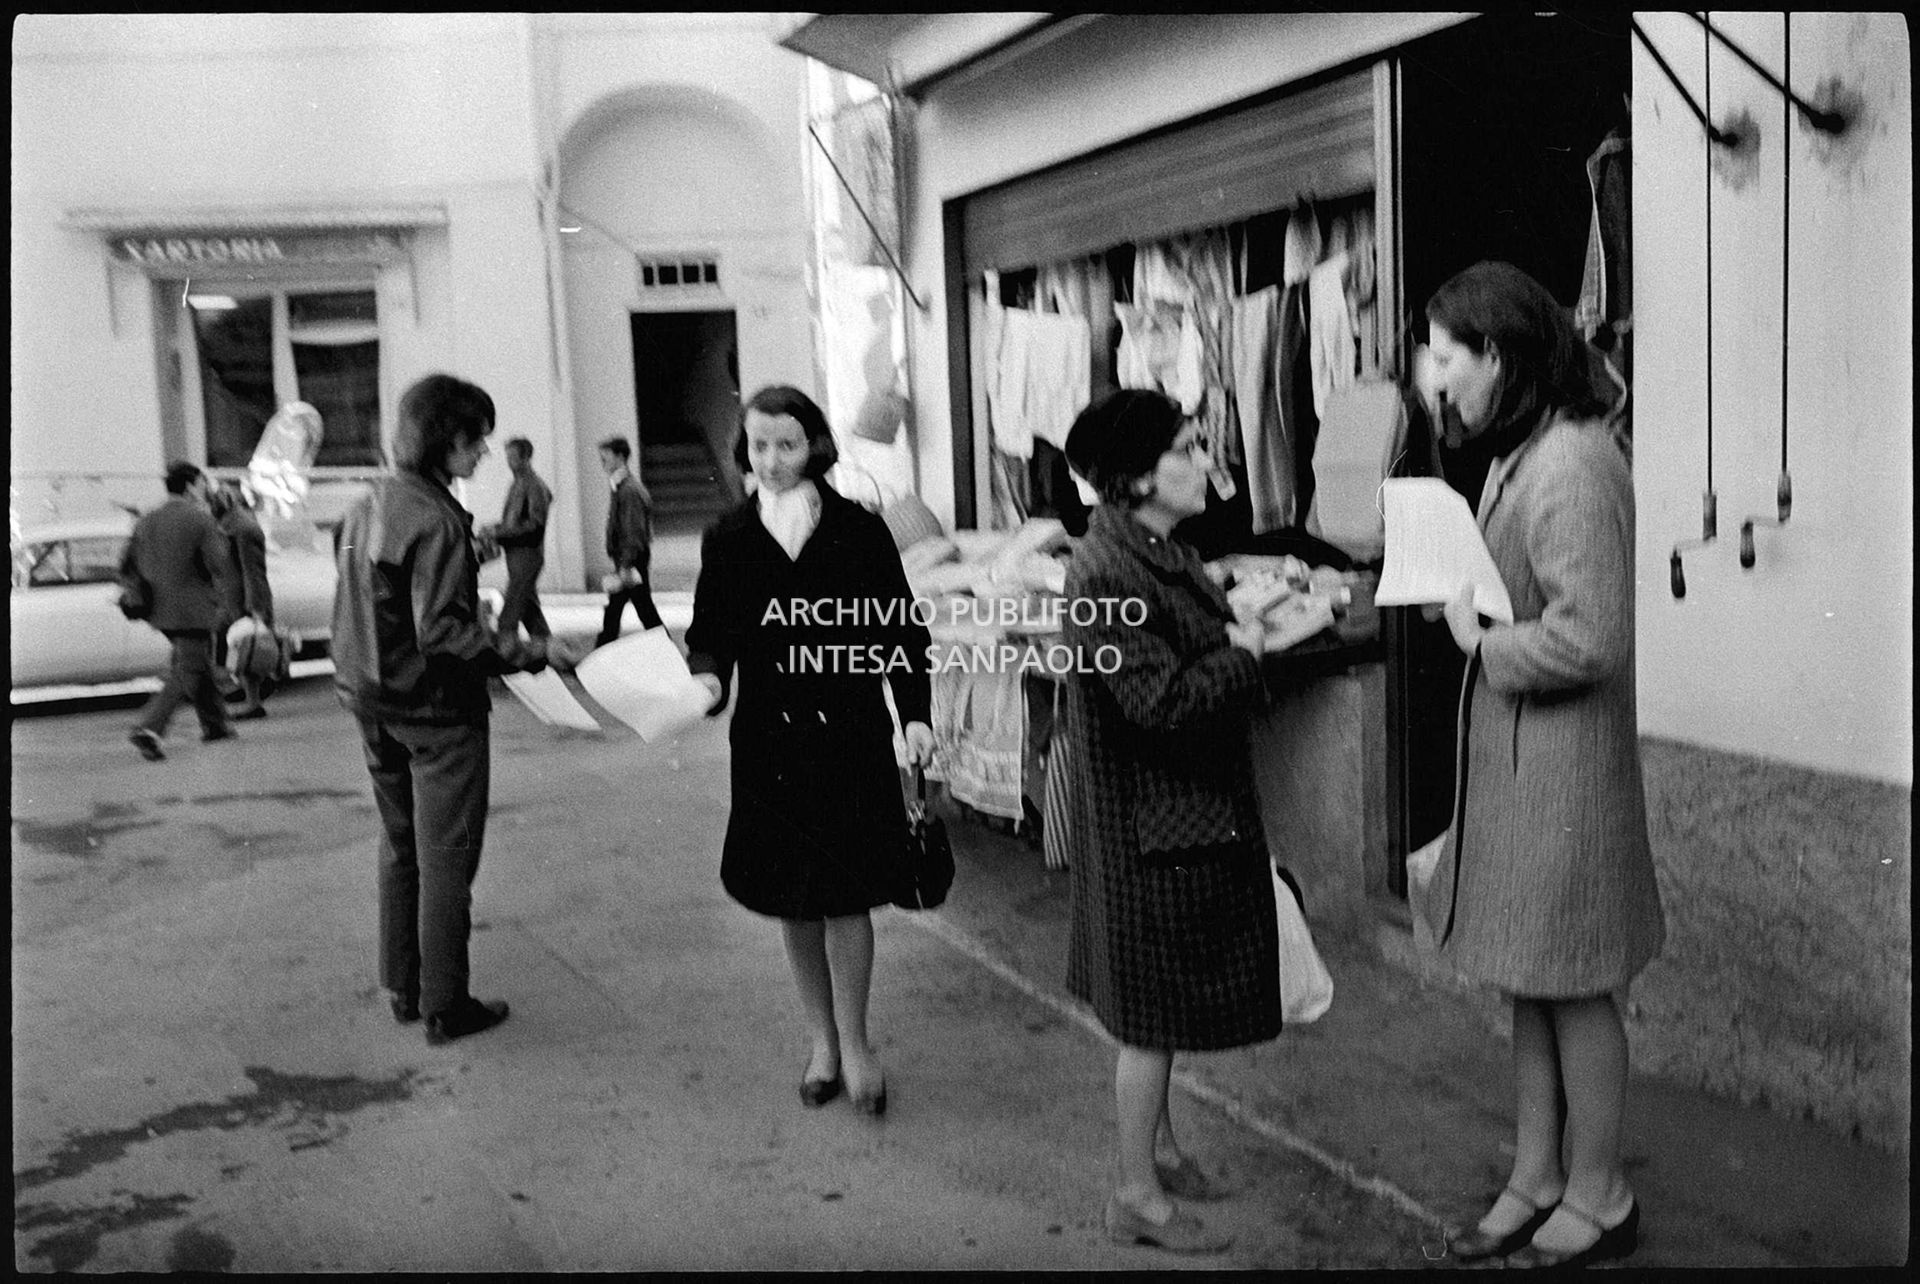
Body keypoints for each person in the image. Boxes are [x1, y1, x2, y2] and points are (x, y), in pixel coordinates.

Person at [1422, 262, 1665, 1269]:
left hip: (1564, 774)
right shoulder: (1523, 453)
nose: (1434, 381)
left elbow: (1593, 636)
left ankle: (1601, 1190)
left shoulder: (1569, 464)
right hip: (1531, 771)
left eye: (1446, 359)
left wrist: (1482, 646)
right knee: (1533, 979)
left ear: (1501, 358)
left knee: (1574, 984)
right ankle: (1538, 1173)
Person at [1058, 388, 1280, 1255]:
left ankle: (1162, 1150)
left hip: (1174, 824)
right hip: (1151, 828)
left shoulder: (1150, 548)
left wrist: (1243, 622)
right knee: (1150, 1021)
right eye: (1187, 447)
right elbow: (1160, 701)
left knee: (1165, 1008)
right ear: (1138, 476)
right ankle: (1135, 1196)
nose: (1204, 460)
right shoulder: (1108, 568)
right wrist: (1246, 655)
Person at [685, 385, 935, 1117]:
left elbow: (901, 632)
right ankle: (820, 1041)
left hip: (851, 737)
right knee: (794, 898)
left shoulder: (859, 529)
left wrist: (913, 715)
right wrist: (705, 681)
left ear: (815, 447)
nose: (771, 460)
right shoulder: (728, 536)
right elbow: (711, 633)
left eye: (786, 444)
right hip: (768, 742)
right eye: (758, 446)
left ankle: (857, 1044)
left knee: (846, 895)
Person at [332, 373, 591, 1047]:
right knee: (448, 857)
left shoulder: (370, 504)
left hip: (369, 699)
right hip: (436, 712)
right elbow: (443, 634)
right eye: (474, 440)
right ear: (446, 441)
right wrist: (533, 652)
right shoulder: (440, 518)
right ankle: (448, 1004)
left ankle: (405, 987)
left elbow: (381, 602)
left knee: (400, 848)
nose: (482, 453)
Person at [124, 461, 237, 761]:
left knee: (195, 662)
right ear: (189, 486)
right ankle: (149, 728)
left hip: (158, 610)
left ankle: (216, 725)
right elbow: (219, 563)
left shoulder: (147, 520)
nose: (205, 489)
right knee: (186, 670)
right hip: (194, 609)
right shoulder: (199, 519)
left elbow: (127, 563)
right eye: (201, 483)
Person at [211, 479, 275, 719]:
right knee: (235, 649)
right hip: (231, 600)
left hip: (245, 600)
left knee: (247, 649)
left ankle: (253, 702)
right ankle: (248, 695)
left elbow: (253, 572)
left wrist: (255, 608)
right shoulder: (229, 525)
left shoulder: (243, 529)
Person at [481, 436, 552, 641]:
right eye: (508, 457)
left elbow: (535, 526)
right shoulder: (518, 484)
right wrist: (494, 528)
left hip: (527, 557)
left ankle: (505, 654)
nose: (509, 462)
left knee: (509, 616)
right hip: (517, 557)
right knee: (530, 612)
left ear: (526, 457)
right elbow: (514, 523)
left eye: (513, 457)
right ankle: (548, 652)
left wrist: (498, 533)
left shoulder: (535, 486)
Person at [595, 436, 664, 644]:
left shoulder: (629, 490)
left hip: (631, 558)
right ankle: (665, 647)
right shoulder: (623, 486)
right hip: (630, 557)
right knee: (635, 608)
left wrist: (626, 564)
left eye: (606, 457)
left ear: (620, 457)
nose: (602, 462)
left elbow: (633, 531)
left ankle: (601, 650)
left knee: (633, 609)